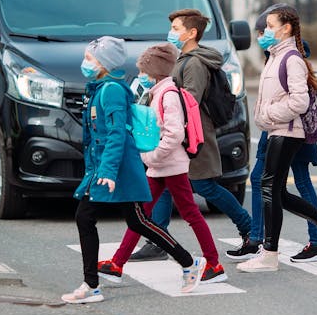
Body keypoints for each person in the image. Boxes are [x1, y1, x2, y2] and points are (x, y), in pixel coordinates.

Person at [61, 36, 206, 303]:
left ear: (104, 63)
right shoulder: (99, 89)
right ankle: (187, 262)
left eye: (90, 58)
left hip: (118, 169)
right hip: (106, 168)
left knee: (97, 217)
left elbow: (117, 134)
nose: (85, 63)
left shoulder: (111, 91)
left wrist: (108, 170)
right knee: (135, 220)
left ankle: (92, 285)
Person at [129, 9, 253, 267]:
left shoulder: (194, 63)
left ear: (191, 32)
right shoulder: (184, 58)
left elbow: (189, 101)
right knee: (163, 182)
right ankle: (157, 239)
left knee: (205, 187)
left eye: (176, 28)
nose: (171, 32)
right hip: (182, 135)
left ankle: (249, 228)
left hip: (193, 135)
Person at [96, 43, 228, 285]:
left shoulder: (168, 96)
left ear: (155, 71)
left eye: (144, 72)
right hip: (161, 165)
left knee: (189, 214)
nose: (141, 76)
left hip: (170, 165)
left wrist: (151, 157)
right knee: (142, 216)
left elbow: (174, 135)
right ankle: (117, 263)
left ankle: (214, 264)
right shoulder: (159, 92)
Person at [237, 6, 317, 273]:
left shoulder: (291, 59)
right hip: (278, 130)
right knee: (275, 191)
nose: (264, 32)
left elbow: (300, 101)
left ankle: (270, 254)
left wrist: (268, 114)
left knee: (269, 188)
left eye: (270, 26)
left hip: (288, 132)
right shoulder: (275, 57)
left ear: (286, 28)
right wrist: (265, 116)